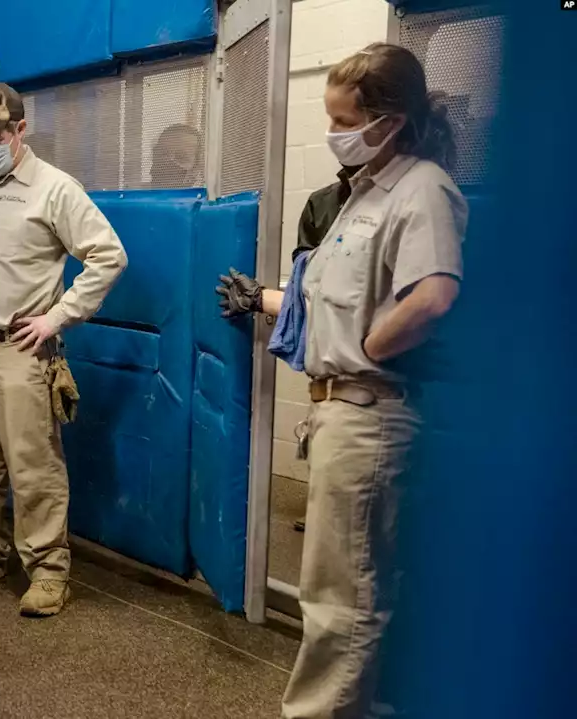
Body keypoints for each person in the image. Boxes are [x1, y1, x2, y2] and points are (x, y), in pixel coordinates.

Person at [218, 43, 466, 718]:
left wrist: (370, 344)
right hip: (337, 415)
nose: (334, 133)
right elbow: (323, 300)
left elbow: (435, 293)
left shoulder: (421, 188)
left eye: (343, 119)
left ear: (389, 119)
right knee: (343, 589)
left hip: (368, 414)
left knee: (342, 599)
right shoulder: (356, 197)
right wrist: (268, 300)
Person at [0, 82, 128, 618]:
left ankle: (48, 570)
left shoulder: (54, 189)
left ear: (19, 129)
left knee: (33, 465)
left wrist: (58, 317)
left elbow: (108, 256)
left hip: (20, 350)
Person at [220, 161, 362, 533]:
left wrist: (264, 301)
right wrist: (264, 300)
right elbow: (312, 291)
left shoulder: (413, 204)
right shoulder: (324, 204)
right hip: (333, 361)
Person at [148, 123, 204, 188]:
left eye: (181, 157)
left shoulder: (202, 196)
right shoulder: (138, 194)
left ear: (195, 168)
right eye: (163, 154)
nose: (167, 162)